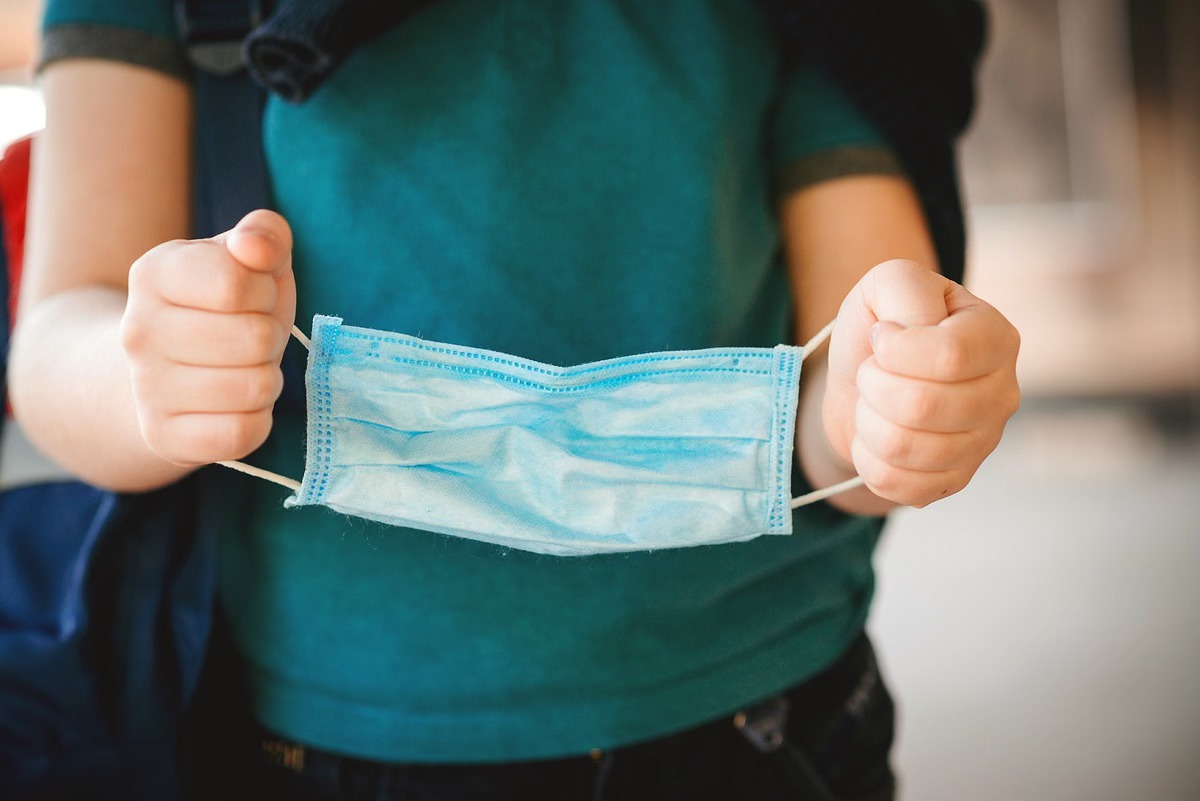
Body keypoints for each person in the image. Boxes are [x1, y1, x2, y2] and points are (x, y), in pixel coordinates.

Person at [10, 1, 1019, 798]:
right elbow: (58, 335)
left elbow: (849, 402)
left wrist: (900, 407)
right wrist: (147, 376)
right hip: (317, 735)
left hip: (764, 715)